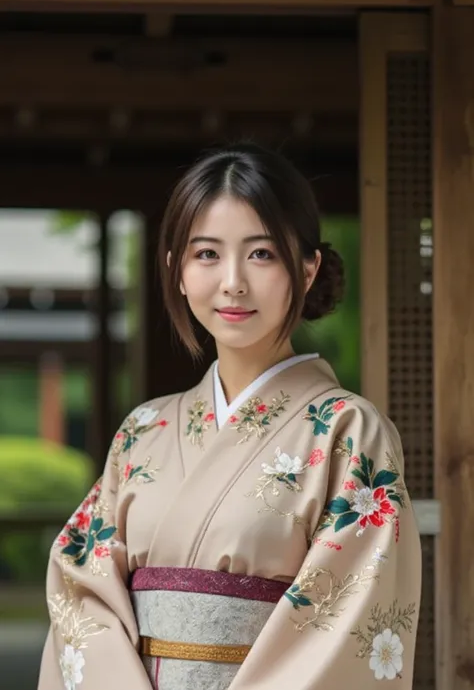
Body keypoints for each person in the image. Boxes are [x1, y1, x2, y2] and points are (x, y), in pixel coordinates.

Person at [38, 143, 421, 690]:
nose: (233, 282)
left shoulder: (349, 432)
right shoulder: (143, 431)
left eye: (262, 254)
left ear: (307, 269)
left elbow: (347, 621)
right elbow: (81, 587)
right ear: (177, 269)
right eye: (207, 254)